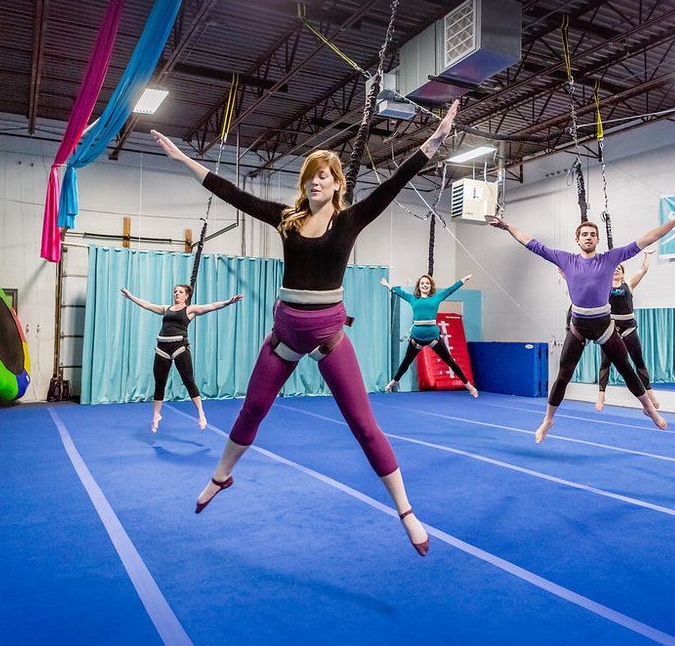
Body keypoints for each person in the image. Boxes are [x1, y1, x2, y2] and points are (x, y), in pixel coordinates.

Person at [150, 99, 459, 556]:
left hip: (328, 336)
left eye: (325, 175)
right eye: (311, 174)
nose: (316, 180)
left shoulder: (351, 219)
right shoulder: (286, 220)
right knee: (252, 410)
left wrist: (433, 142)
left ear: (337, 185)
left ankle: (406, 511)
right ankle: (221, 476)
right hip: (285, 337)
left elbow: (396, 182)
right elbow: (232, 193)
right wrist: (183, 160)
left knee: (363, 425)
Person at [488, 207, 675, 442]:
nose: (588, 237)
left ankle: (648, 407)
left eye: (592, 234)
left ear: (597, 239)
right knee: (563, 375)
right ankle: (548, 419)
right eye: (584, 234)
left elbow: (647, 239)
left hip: (604, 324)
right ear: (577, 240)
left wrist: (673, 223)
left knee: (626, 368)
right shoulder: (565, 259)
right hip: (578, 325)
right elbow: (531, 243)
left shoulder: (611, 258)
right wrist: (507, 227)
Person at [121, 284, 243, 432]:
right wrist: (130, 296)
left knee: (188, 381)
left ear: (186, 296)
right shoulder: (166, 309)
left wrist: (228, 302)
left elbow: (211, 306)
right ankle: (156, 416)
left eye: (180, 292)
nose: (176, 294)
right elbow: (147, 305)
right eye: (175, 292)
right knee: (160, 383)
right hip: (162, 348)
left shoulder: (190, 310)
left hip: (179, 347)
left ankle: (201, 413)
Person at [380, 274, 478, 397]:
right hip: (416, 338)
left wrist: (463, 280)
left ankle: (468, 385)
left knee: (450, 361)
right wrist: (388, 285)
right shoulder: (413, 299)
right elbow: (398, 292)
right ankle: (395, 380)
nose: (425, 285)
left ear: (430, 286)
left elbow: (450, 290)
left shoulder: (437, 298)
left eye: (427, 283)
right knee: (406, 361)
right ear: (419, 286)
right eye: (422, 283)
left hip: (434, 338)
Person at [595, 250, 658, 412]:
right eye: (614, 268)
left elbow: (643, 270)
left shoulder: (629, 284)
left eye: (619, 269)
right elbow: (584, 285)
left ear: (622, 273)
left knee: (638, 360)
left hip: (628, 326)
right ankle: (601, 394)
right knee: (605, 362)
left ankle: (649, 393)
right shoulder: (604, 286)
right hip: (611, 328)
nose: (616, 269)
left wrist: (647, 257)